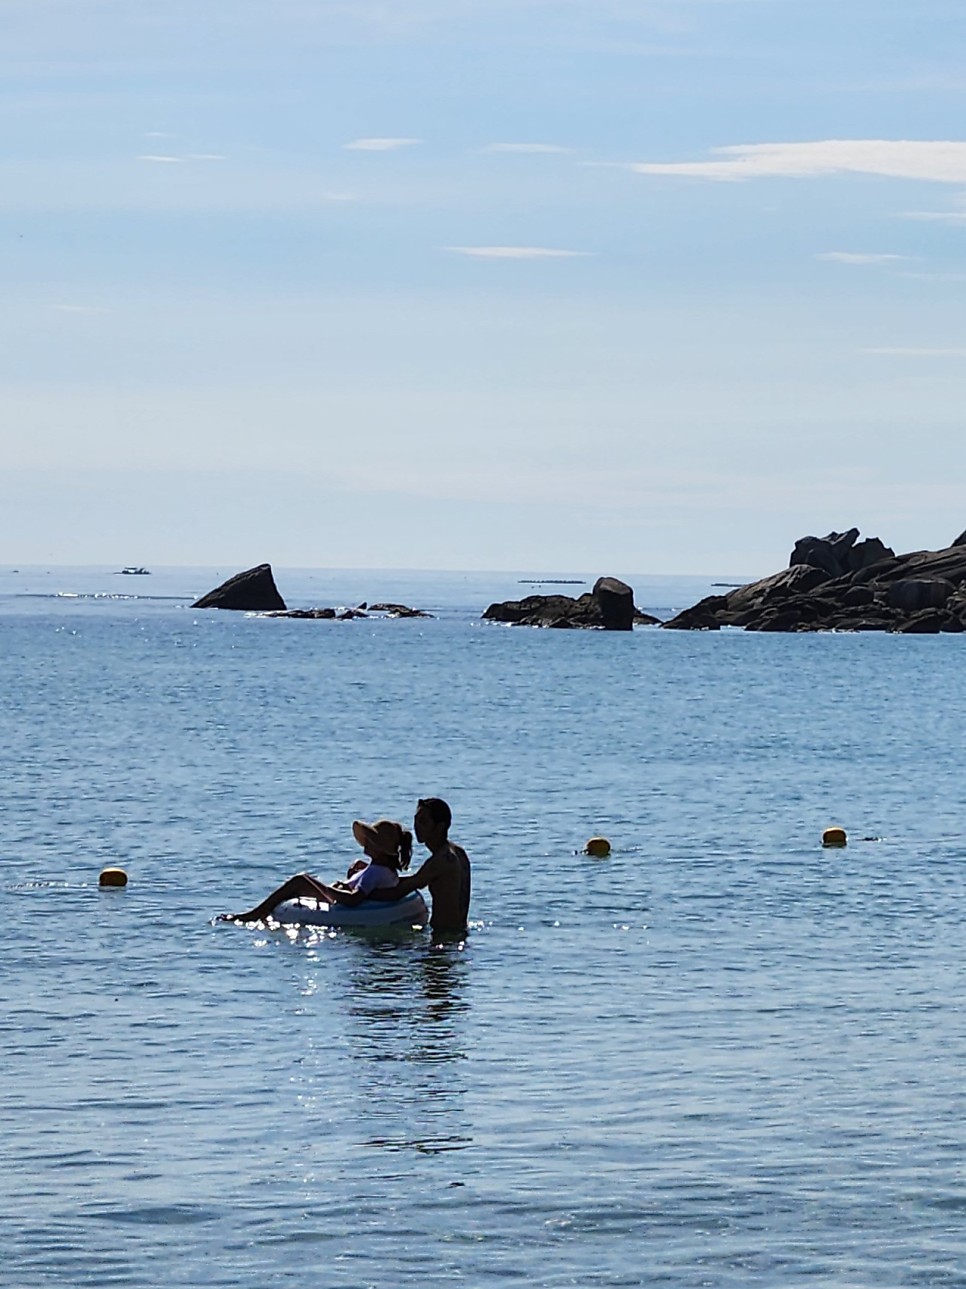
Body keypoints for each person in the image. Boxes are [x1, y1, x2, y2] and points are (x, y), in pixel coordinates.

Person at [220, 818, 412, 923]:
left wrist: (330, 890)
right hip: (349, 897)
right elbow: (373, 885)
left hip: (340, 904)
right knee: (355, 866)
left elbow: (355, 898)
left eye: (371, 841)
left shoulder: (374, 872)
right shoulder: (385, 870)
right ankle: (260, 911)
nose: (366, 843)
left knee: (300, 880)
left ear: (379, 849)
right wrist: (357, 874)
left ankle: (254, 914)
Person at [391, 797, 471, 936]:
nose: (416, 826)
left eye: (423, 822)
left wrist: (363, 891)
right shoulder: (458, 852)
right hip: (458, 933)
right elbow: (418, 879)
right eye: (416, 820)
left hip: (443, 935)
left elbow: (402, 889)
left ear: (440, 826)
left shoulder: (441, 860)